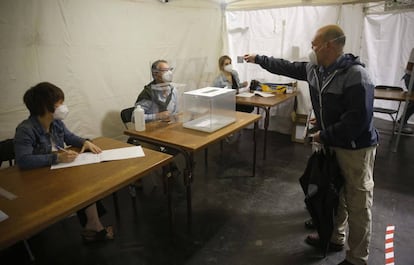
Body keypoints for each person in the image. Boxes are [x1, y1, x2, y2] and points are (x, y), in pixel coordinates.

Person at [244, 25, 378, 265]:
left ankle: (358, 258)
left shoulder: (356, 75)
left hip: (355, 148)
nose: (311, 49)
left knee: (357, 202)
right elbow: (285, 66)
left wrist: (324, 134)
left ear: (329, 45)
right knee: (334, 194)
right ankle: (335, 237)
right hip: (331, 143)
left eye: (314, 44)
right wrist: (258, 59)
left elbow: (357, 120)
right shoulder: (315, 70)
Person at [14, 82, 114, 243]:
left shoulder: (56, 123)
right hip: (37, 180)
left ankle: (93, 225)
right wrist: (57, 158)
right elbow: (23, 160)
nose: (63, 107)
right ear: (45, 106)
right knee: (82, 186)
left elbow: (70, 137)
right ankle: (94, 226)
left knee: (86, 183)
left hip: (58, 172)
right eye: (59, 103)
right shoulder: (25, 129)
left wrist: (84, 142)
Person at [134, 59, 181, 179]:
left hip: (168, 131)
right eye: (165, 70)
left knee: (185, 144)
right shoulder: (148, 93)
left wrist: (174, 116)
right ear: (155, 74)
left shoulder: (173, 90)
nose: (169, 73)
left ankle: (170, 168)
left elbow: (175, 111)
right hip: (151, 134)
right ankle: (166, 170)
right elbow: (134, 118)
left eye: (170, 70)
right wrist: (157, 116)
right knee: (158, 152)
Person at [398, 47, 414, 134]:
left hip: (410, 77)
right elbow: (410, 66)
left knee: (412, 102)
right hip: (411, 78)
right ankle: (401, 123)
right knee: (412, 101)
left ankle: (402, 122)